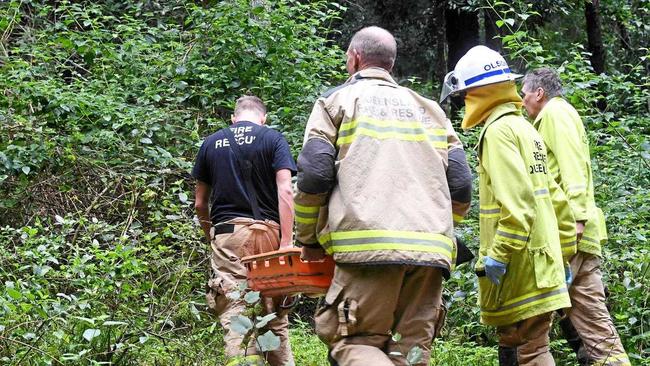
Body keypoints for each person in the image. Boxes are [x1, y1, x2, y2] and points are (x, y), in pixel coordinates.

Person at [294, 26, 472, 366]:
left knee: (354, 343)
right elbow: (461, 184)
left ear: (354, 59)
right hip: (431, 252)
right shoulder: (431, 110)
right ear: (390, 63)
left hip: (368, 248)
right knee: (409, 352)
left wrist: (308, 239)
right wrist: (444, 229)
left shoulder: (336, 102)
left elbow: (315, 174)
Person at [441, 46, 574, 366]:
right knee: (536, 348)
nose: (463, 105)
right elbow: (557, 201)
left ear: (476, 92)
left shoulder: (498, 132)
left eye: (463, 96)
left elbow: (519, 207)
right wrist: (564, 253)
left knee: (528, 350)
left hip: (520, 269)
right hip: (544, 264)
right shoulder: (525, 130)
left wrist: (496, 259)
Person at [521, 68, 630, 366]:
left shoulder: (555, 115)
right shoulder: (557, 116)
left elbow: (572, 168)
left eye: (524, 94)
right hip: (578, 233)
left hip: (568, 232)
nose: (522, 102)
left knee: (531, 318)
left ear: (539, 93)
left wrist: (577, 220)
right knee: (595, 326)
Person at [192, 95, 296, 366]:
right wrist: (286, 241)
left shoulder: (211, 142)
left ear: (233, 118)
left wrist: (211, 234)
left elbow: (200, 202)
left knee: (236, 312)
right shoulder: (274, 139)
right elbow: (285, 189)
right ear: (264, 118)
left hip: (229, 233)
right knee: (274, 313)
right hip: (271, 233)